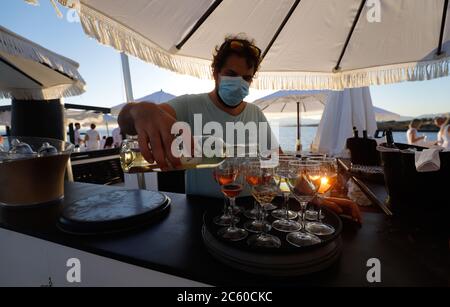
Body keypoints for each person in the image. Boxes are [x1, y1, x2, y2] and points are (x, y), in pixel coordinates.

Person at [118, 36, 361, 221]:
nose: (240, 83)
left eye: (246, 78)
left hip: (250, 211)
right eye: (231, 74)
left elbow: (282, 163)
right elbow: (127, 121)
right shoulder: (189, 105)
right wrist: (140, 110)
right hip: (200, 212)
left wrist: (315, 197)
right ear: (215, 73)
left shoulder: (255, 113)